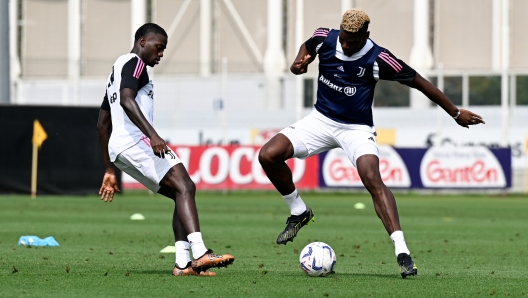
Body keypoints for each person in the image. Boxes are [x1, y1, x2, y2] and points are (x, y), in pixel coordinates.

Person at [258, 9, 485, 278]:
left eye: (352, 41)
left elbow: (420, 82)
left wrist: (456, 113)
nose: (345, 44)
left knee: (372, 178)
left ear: (366, 35)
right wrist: (298, 65)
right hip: (320, 121)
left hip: (356, 128)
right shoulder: (325, 38)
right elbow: (306, 50)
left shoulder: (379, 58)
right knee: (267, 155)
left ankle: (402, 251)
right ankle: (299, 211)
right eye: (343, 38)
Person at [96, 23, 234, 277]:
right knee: (186, 186)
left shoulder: (115, 72)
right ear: (142, 42)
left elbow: (102, 124)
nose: (160, 54)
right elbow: (127, 100)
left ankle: (182, 264)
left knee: (179, 193)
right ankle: (201, 253)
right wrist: (153, 135)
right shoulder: (136, 64)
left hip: (120, 149)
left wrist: (109, 168)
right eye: (158, 48)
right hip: (137, 141)